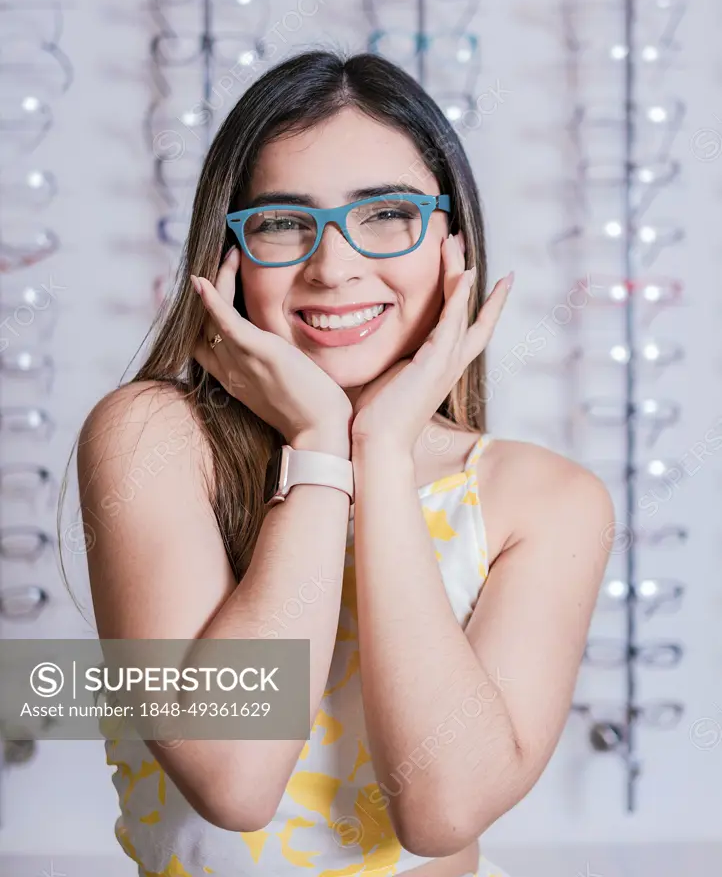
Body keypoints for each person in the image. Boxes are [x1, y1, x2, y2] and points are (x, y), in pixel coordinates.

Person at [71, 49, 614, 877]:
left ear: (452, 248)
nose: (333, 266)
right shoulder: (153, 438)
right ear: (231, 257)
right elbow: (234, 777)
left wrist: (384, 456)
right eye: (285, 223)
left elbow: (441, 811)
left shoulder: (543, 502)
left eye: (387, 214)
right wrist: (321, 448)